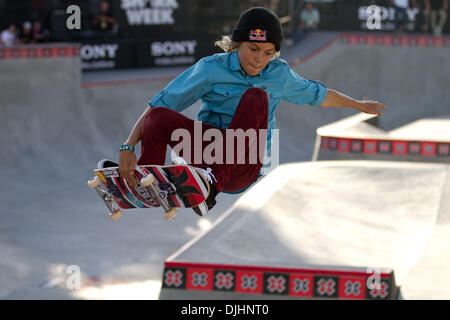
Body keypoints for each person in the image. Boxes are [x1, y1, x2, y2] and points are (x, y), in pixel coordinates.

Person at [118, 7, 387, 216]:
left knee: (256, 96)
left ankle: (211, 186)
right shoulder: (212, 69)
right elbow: (162, 103)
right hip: (207, 152)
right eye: (253, 49)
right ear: (237, 44)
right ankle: (148, 178)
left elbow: (318, 95)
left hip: (243, 167)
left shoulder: (279, 75)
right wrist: (129, 145)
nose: (259, 59)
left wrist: (359, 105)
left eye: (268, 53)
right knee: (158, 115)